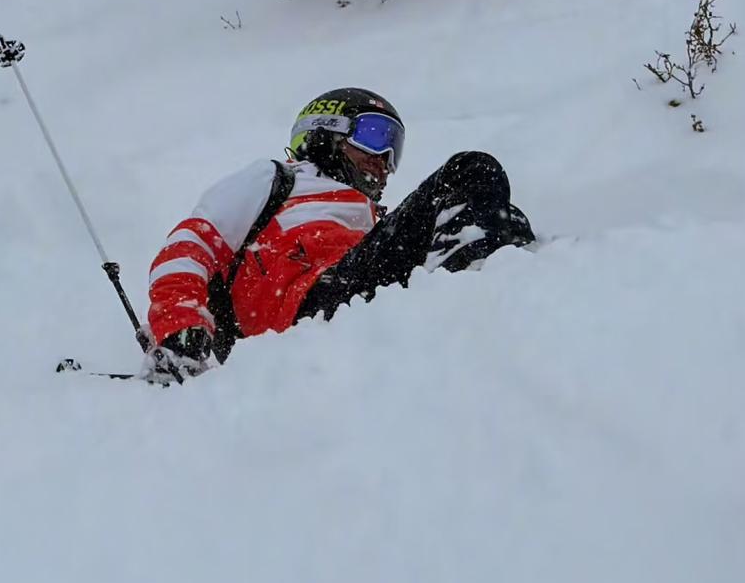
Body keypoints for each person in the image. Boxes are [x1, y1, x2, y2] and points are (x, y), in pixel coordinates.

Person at [145, 88, 535, 382]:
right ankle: (472, 293)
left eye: (393, 148)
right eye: (374, 135)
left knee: (491, 202)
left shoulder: (370, 220)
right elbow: (190, 246)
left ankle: (502, 292)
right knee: (471, 169)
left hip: (369, 305)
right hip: (307, 310)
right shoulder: (278, 179)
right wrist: (180, 328)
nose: (384, 159)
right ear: (326, 132)